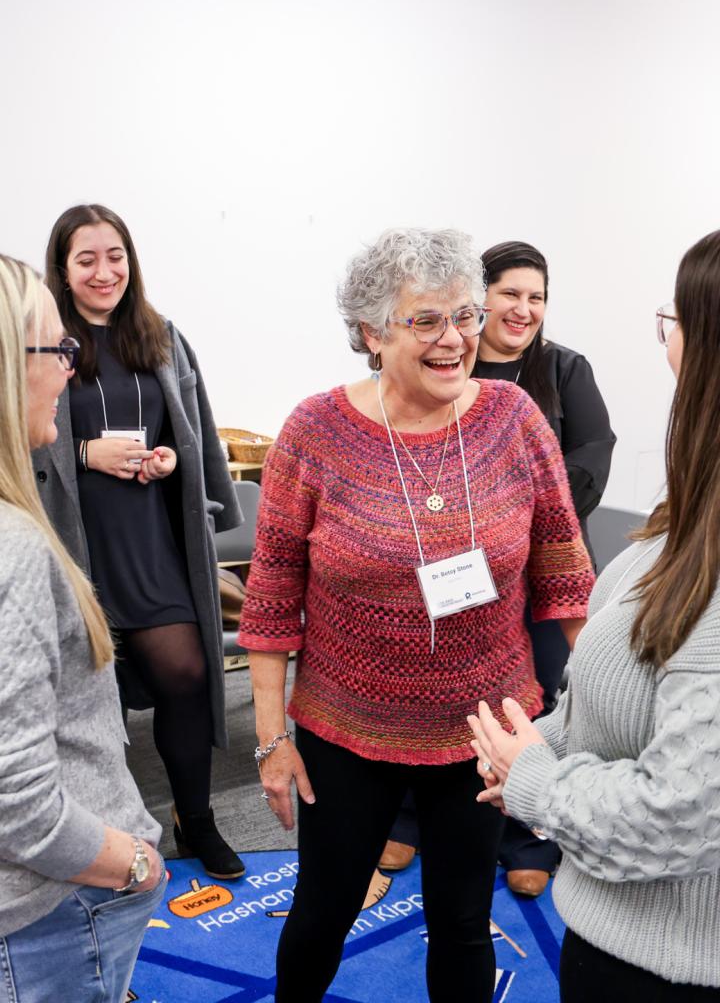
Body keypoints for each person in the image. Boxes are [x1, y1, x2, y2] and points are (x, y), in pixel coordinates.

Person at [238, 228, 594, 1002]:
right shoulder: (316, 432)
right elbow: (270, 596)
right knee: (323, 912)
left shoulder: (514, 417)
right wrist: (272, 740)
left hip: (485, 731)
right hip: (347, 731)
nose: (455, 339)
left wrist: (611, 712)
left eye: (464, 316)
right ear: (371, 333)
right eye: (426, 321)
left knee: (464, 921)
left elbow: (564, 569)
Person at [469, 229, 720, 1002]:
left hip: (663, 964)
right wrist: (539, 745)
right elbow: (628, 705)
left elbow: (681, 812)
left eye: (670, 321)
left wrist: (535, 778)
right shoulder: (687, 516)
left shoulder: (564, 373)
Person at [379, 241, 616, 890]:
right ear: (478, 298)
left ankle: (526, 837)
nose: (524, 308)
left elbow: (592, 457)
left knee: (535, 693)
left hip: (542, 571)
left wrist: (508, 511)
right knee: (434, 688)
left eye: (536, 296)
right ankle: (409, 820)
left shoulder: (566, 371)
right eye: (511, 293)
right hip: (452, 570)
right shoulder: (448, 366)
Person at [34, 204, 244, 879]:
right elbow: (20, 434)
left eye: (115, 255)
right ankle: (101, 835)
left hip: (150, 537)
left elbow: (193, 433)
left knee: (185, 674)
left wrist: (172, 463)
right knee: (90, 698)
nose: (105, 271)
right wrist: (86, 452)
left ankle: (196, 818)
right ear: (63, 271)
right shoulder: (44, 342)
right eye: (87, 259)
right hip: (74, 541)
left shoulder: (162, 336)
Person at [0, 254, 167, 1002]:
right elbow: (18, 802)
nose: (70, 370)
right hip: (51, 908)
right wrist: (132, 865)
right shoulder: (13, 549)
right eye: (56, 349)